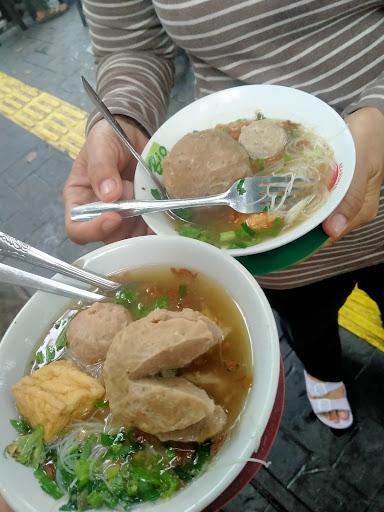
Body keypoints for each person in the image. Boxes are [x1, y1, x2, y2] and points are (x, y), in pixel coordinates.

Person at [63, 1, 384, 430]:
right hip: (270, 246)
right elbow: (132, 46)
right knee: (306, 322)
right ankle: (323, 370)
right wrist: (122, 119)